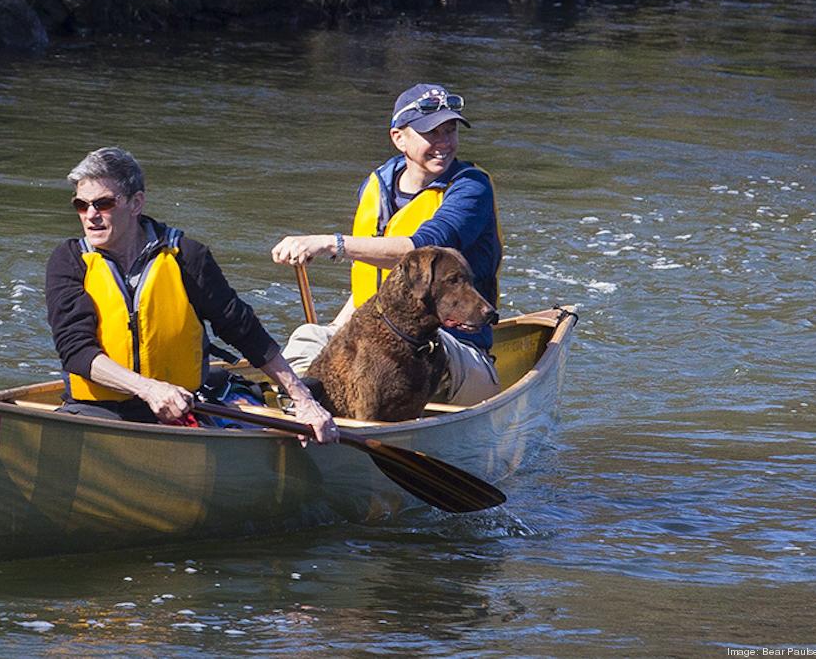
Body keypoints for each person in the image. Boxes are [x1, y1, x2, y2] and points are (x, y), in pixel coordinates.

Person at [46, 146, 338, 444]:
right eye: (81, 205)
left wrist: (303, 400)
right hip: (97, 411)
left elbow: (244, 330)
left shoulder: (187, 256)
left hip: (180, 409)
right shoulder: (68, 261)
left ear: (136, 203)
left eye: (104, 203)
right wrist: (149, 389)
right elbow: (76, 351)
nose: (91, 215)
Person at [271, 83, 502, 406]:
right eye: (432, 133)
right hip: (377, 337)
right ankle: (301, 409)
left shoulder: (471, 189)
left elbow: (418, 249)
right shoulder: (378, 185)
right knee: (307, 337)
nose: (444, 143)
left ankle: (365, 419)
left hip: (455, 346)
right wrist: (338, 328)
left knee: (410, 352)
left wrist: (330, 243)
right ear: (398, 138)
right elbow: (374, 279)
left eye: (450, 131)